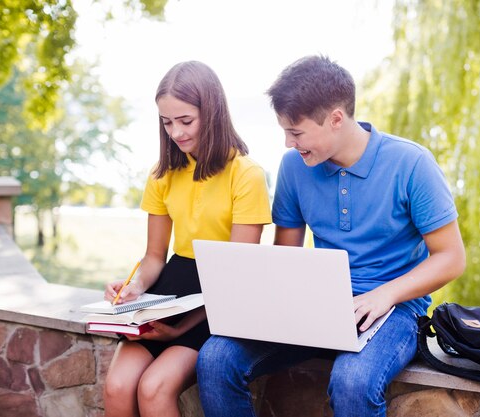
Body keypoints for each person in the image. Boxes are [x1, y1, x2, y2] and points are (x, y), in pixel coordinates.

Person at [195, 55, 466, 416]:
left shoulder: (412, 164)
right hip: (317, 305)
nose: (288, 143)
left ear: (336, 119)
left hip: (395, 310)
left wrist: (384, 295)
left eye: (296, 132)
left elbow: (451, 257)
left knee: (352, 382)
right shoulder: (295, 167)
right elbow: (286, 257)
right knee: (215, 359)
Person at [102, 61, 272, 417]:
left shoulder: (246, 174)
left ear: (211, 113)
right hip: (172, 287)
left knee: (153, 388)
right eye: (166, 122)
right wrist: (133, 287)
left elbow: (236, 275)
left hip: (218, 298)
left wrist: (178, 327)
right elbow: (153, 256)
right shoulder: (161, 173)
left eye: (185, 121)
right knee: (117, 386)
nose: (175, 132)